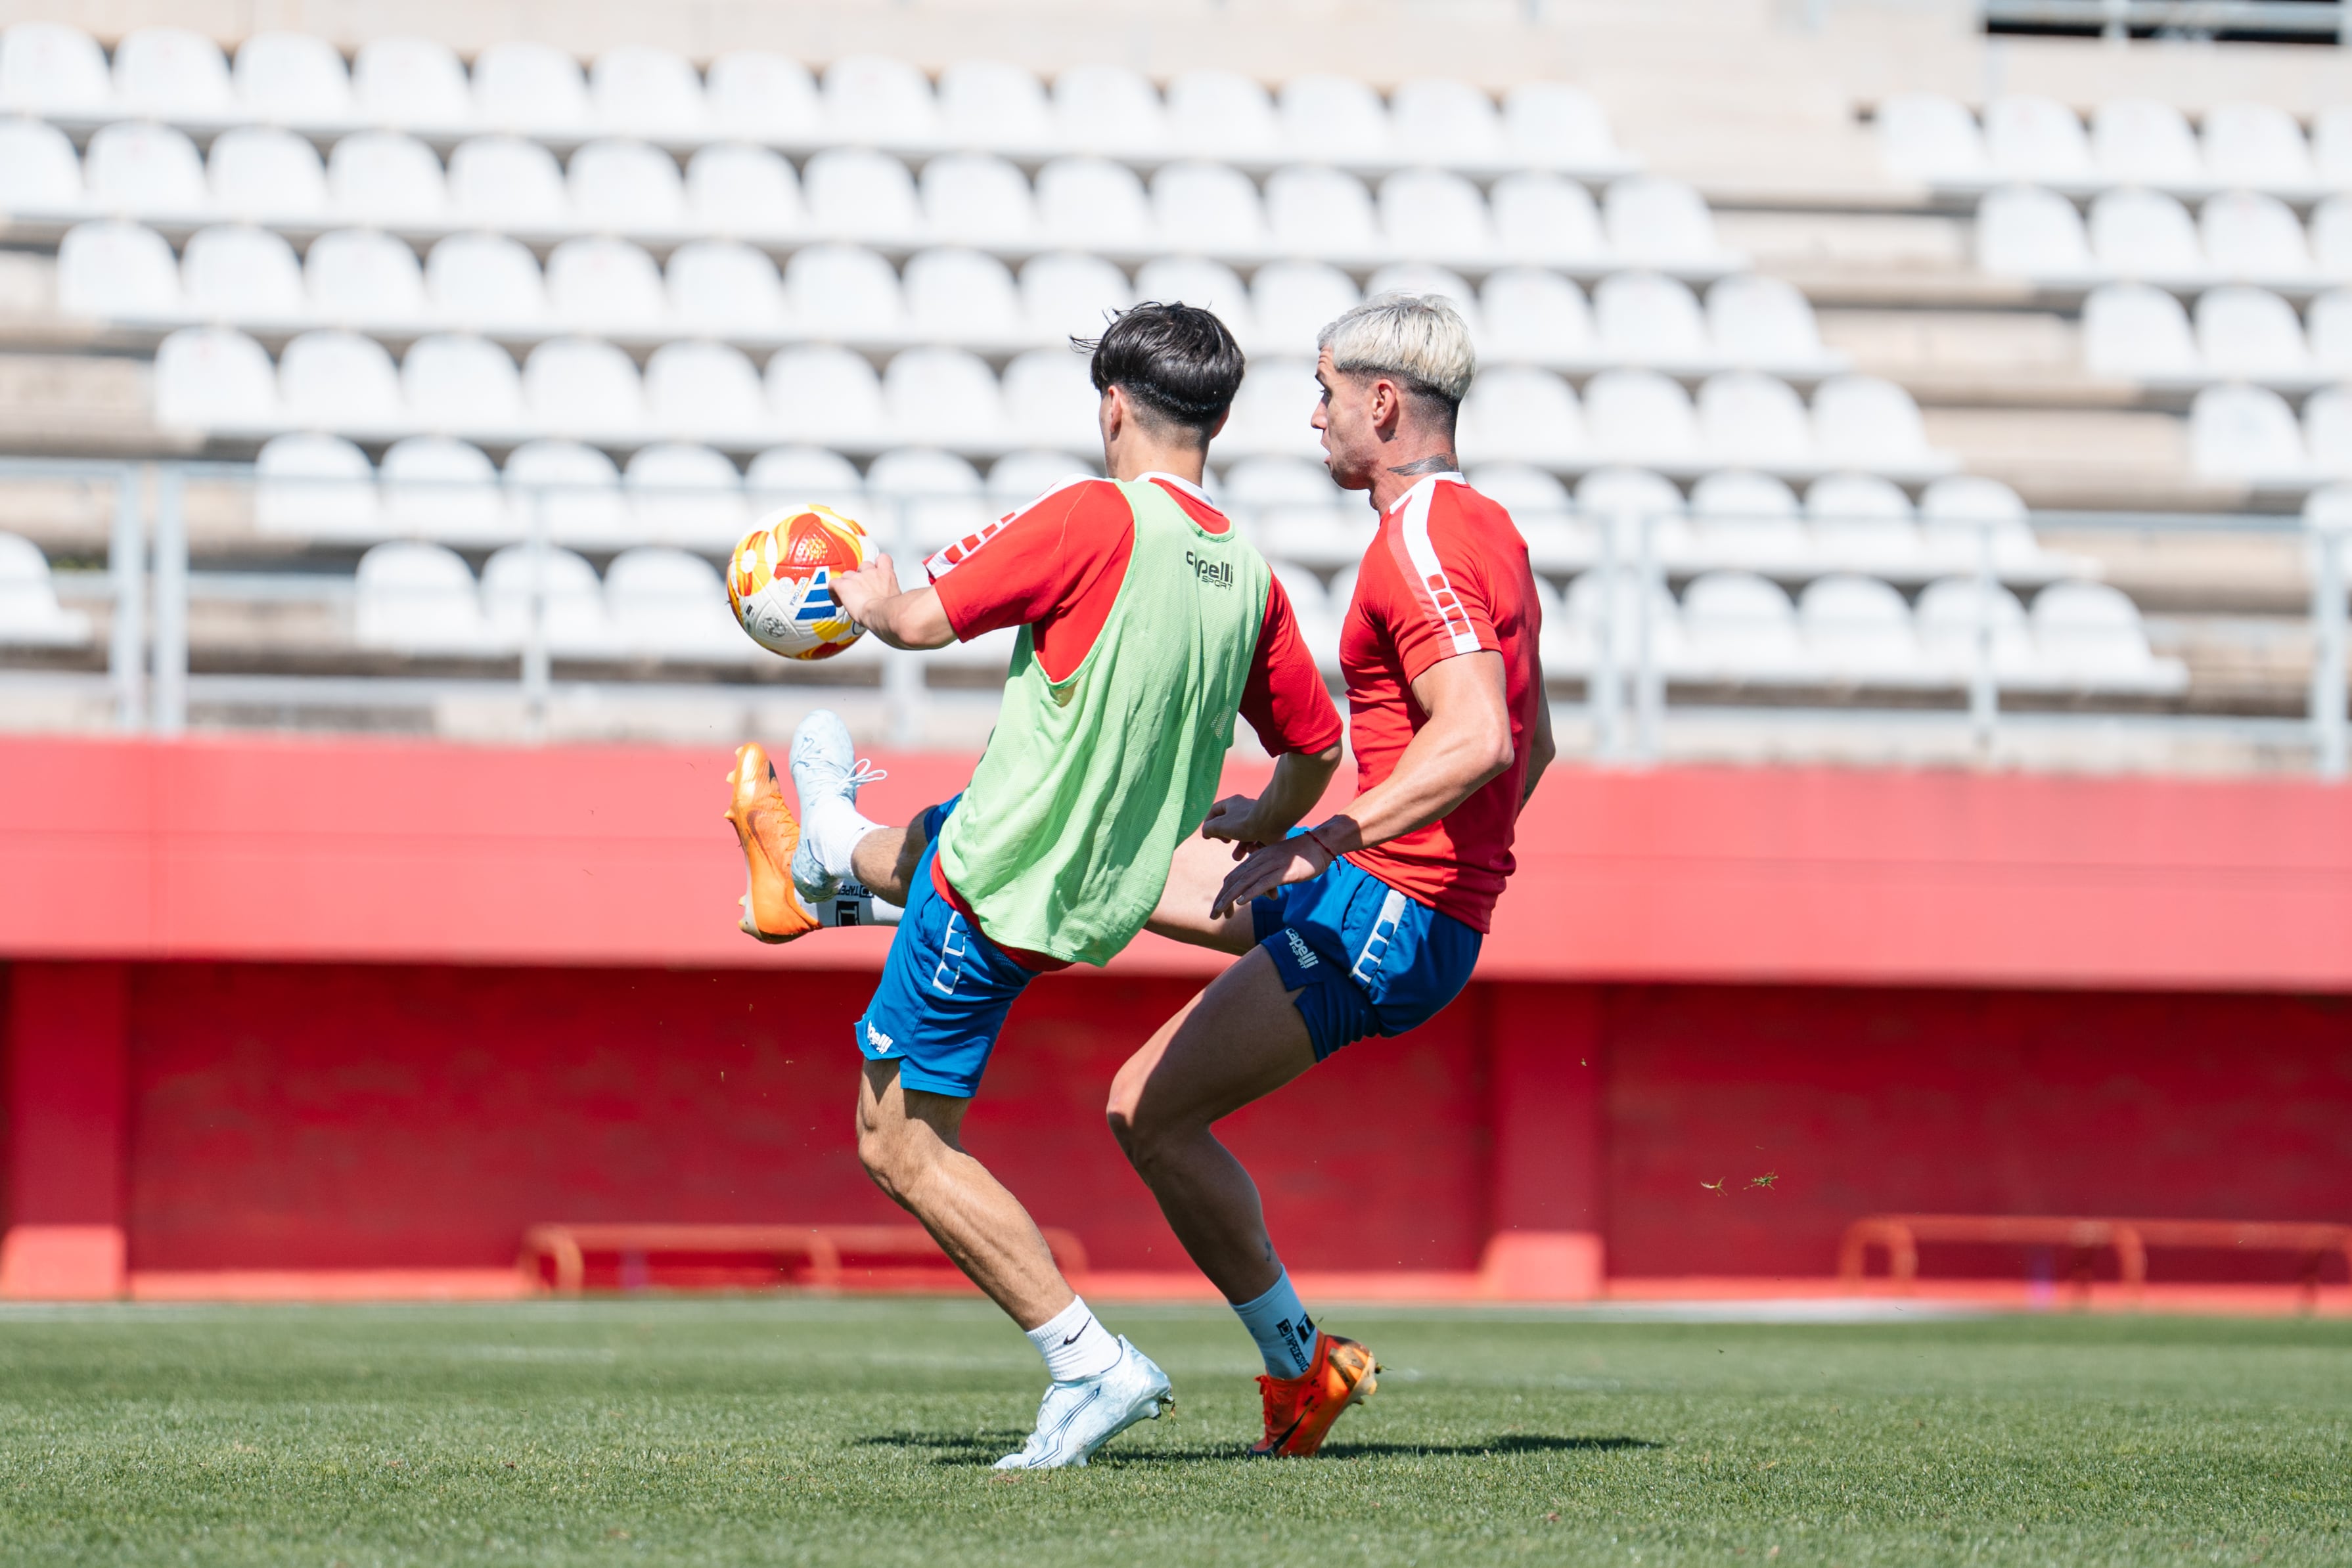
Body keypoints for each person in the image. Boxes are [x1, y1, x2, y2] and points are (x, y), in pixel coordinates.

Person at [722, 303, 1345, 1468]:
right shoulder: (1249, 577)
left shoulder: (1090, 517)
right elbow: (1313, 746)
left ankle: (1088, 1360)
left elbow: (912, 623)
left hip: (1000, 885)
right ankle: (821, 864)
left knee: (898, 1144)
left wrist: (856, 593)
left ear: (1113, 406)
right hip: (1088, 885)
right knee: (930, 839)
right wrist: (1261, 818)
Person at [1108, 294, 1554, 1458]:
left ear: (1384, 403)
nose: (1312, 418)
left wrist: (1337, 843)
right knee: (1108, 877)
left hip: (1384, 911)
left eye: (1323, 394)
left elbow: (1479, 742)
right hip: (1398, 907)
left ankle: (1302, 1366)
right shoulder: (1492, 530)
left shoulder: (1421, 542)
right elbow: (1533, 742)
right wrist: (1307, 833)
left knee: (1146, 1112)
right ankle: (850, 883)